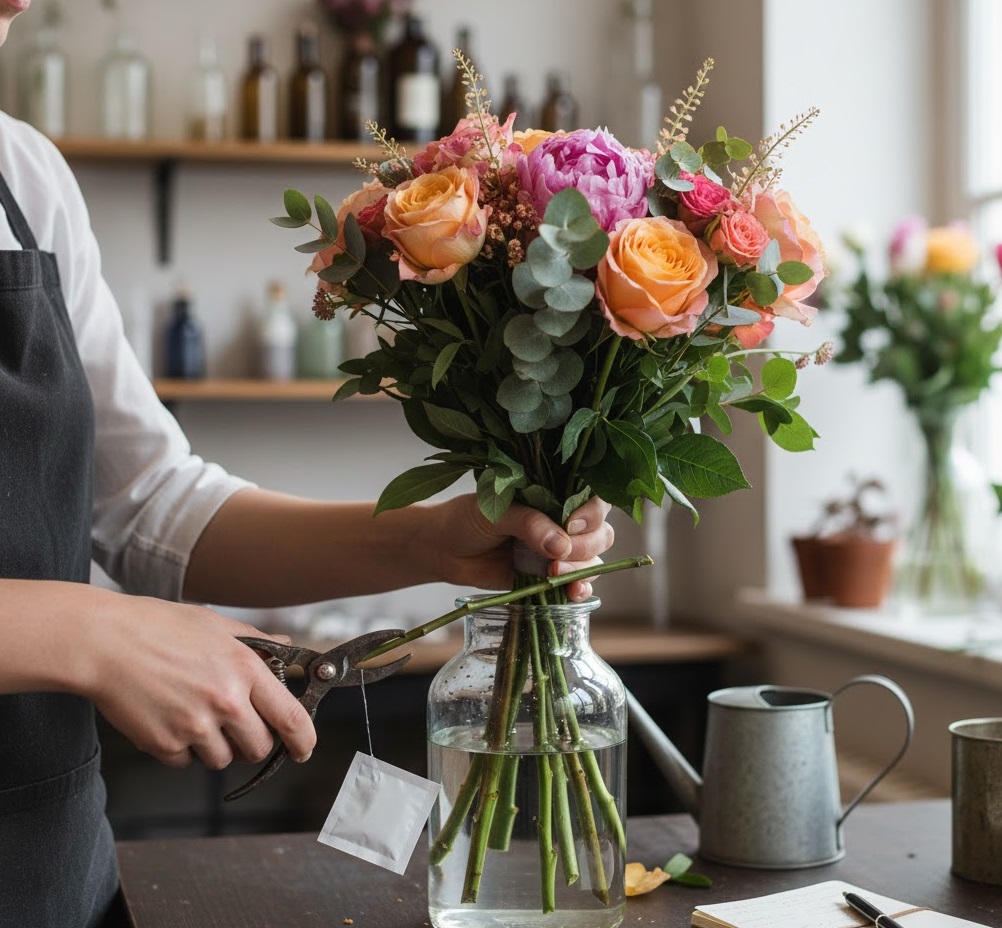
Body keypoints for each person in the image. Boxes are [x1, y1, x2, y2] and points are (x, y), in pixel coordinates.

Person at [0, 4, 615, 927]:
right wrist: (89, 632)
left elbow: (148, 504)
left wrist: (430, 540)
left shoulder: (24, 175)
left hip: (45, 871)